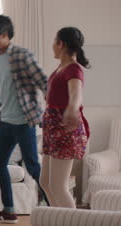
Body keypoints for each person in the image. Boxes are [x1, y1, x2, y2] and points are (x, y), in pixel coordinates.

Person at [0, 14, 49, 224]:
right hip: (5, 122)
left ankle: (52, 206)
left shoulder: (22, 55)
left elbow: (43, 82)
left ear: (5, 35)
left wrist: (53, 109)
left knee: (32, 166)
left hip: (24, 122)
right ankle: (9, 210)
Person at [40, 27, 90, 208]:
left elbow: (76, 93)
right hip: (53, 131)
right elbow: (57, 94)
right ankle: (58, 222)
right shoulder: (61, 68)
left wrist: (72, 108)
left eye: (54, 41)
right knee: (45, 183)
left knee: (58, 186)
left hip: (65, 131)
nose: (52, 45)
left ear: (61, 44)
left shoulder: (74, 69)